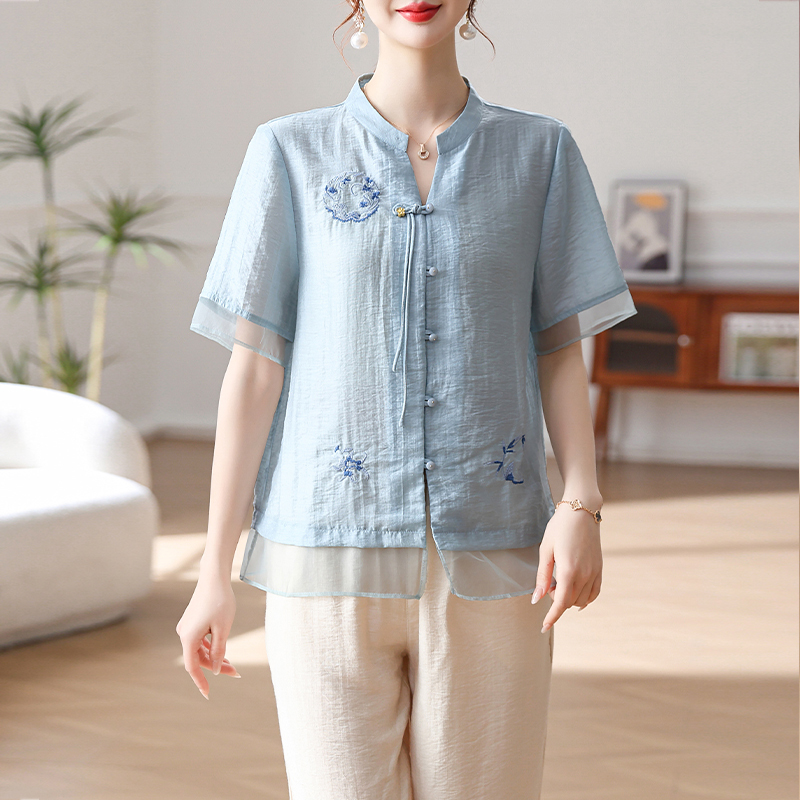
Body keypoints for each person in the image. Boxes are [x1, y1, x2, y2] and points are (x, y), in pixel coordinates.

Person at [176, 1, 637, 797]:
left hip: (496, 553)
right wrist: (212, 572)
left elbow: (559, 347)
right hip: (324, 558)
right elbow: (254, 370)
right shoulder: (289, 150)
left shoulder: (540, 152)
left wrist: (582, 503)